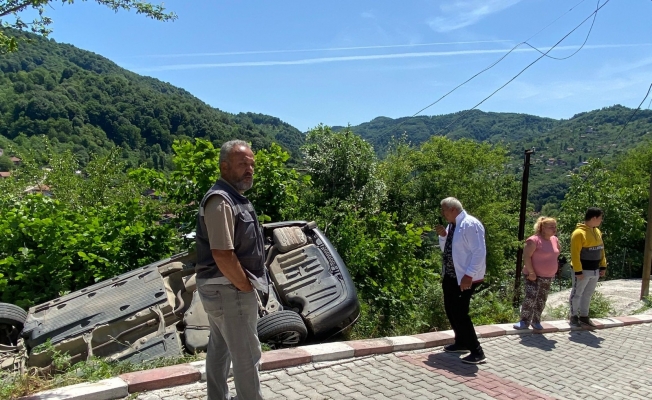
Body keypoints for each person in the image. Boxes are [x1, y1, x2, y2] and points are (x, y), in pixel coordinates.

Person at [195, 140, 267, 400]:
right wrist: (245, 286)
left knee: (220, 348)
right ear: (224, 167)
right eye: (242, 164)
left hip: (222, 289)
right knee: (247, 354)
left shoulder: (233, 198)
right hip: (229, 289)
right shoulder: (221, 200)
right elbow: (223, 254)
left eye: (251, 164)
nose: (249, 170)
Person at [435, 197, 487, 364]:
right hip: (452, 275)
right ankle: (461, 342)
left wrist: (469, 275)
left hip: (465, 277)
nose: (443, 214)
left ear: (452, 210)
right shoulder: (453, 225)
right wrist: (443, 236)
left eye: (444, 210)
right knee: (450, 309)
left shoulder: (470, 224)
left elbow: (479, 252)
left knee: (460, 312)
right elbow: (449, 250)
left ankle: (477, 351)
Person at [513, 217, 560, 331]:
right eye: (551, 227)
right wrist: (531, 272)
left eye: (555, 226)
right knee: (531, 297)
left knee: (541, 299)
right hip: (533, 275)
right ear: (542, 228)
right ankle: (524, 321)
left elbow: (556, 253)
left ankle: (536, 321)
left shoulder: (554, 239)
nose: (554, 229)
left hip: (548, 276)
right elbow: (526, 257)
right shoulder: (533, 240)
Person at [569, 207, 607, 328]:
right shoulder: (578, 233)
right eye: (600, 218)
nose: (601, 220)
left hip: (595, 269)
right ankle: (573, 316)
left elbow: (601, 250)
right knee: (577, 293)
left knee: (588, 294)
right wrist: (578, 271)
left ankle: (584, 316)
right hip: (583, 270)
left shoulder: (597, 232)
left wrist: (603, 266)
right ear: (594, 218)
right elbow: (575, 254)